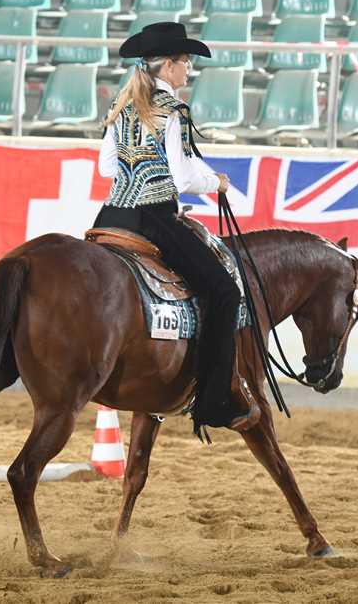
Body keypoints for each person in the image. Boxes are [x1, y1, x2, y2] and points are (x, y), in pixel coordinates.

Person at [92, 22, 260, 436]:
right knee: (224, 292)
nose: (189, 69)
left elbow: (107, 167)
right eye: (186, 62)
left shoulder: (122, 104)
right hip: (155, 219)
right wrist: (217, 183)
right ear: (168, 65)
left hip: (111, 216)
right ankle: (213, 401)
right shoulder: (174, 110)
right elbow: (183, 178)